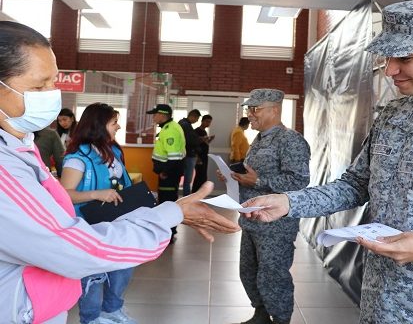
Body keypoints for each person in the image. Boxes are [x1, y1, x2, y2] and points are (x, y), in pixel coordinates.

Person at [242, 0, 413, 323]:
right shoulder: (393, 115)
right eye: (388, 57)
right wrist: (289, 202)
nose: (391, 69)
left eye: (405, 58)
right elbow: (355, 185)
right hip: (380, 304)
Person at [0, 21, 239, 324]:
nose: (51, 94)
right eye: (38, 86)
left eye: (53, 82)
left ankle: (111, 309)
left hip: (38, 301)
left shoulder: (21, 142)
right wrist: (169, 214)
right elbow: (77, 248)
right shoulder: (15, 163)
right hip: (19, 307)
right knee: (99, 277)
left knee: (116, 275)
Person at [220, 89, 310, 324]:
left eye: (255, 109)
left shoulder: (290, 140)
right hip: (251, 220)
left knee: (273, 275)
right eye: (249, 109)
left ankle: (281, 319)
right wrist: (235, 177)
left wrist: (258, 181)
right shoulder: (258, 140)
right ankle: (260, 314)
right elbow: (254, 173)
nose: (250, 114)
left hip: (276, 226)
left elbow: (299, 181)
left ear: (275, 109)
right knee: (248, 271)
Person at [59, 103, 137, 324]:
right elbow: (65, 194)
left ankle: (112, 311)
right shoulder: (78, 157)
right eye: (114, 122)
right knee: (93, 275)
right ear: (99, 125)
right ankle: (91, 318)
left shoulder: (114, 150)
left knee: (124, 265)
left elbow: (120, 182)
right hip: (88, 226)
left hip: (117, 222)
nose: (119, 126)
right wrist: (96, 194)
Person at [148, 103, 185, 236]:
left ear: (162, 115)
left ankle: (168, 232)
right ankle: (168, 231)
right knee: (166, 201)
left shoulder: (170, 130)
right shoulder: (168, 127)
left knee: (167, 202)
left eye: (155, 114)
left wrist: (165, 172)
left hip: (168, 174)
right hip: (167, 173)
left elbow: (174, 157)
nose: (153, 117)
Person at [179, 109, 202, 196]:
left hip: (185, 154)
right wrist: (198, 146)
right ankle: (187, 198)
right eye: (197, 119)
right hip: (188, 155)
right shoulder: (185, 125)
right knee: (187, 180)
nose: (197, 121)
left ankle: (186, 197)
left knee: (186, 179)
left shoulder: (184, 123)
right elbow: (190, 141)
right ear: (193, 116)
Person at [192, 114, 214, 193]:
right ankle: (195, 194)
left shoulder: (204, 131)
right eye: (207, 121)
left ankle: (200, 194)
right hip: (199, 157)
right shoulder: (197, 131)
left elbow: (205, 143)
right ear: (202, 121)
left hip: (204, 156)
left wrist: (210, 139)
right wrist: (197, 157)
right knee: (199, 176)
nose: (208, 123)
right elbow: (194, 145)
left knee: (203, 176)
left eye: (209, 122)